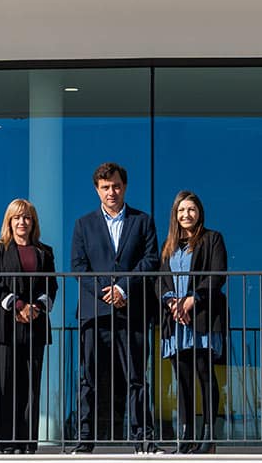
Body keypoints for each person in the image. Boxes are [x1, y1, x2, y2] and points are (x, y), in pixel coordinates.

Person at [69, 162, 163, 454]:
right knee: (90, 380)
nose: (112, 192)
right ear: (97, 190)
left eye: (116, 186)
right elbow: (78, 267)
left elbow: (151, 260)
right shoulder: (83, 224)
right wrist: (106, 293)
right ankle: (85, 440)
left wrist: (123, 288)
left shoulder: (142, 221)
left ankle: (144, 440)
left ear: (125, 187)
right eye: (106, 187)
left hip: (132, 312)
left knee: (137, 377)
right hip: (95, 314)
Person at [0, 198, 58, 455]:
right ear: (9, 221)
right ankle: (6, 443)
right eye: (17, 217)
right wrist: (18, 305)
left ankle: (27, 444)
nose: (22, 222)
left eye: (26, 217)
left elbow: (52, 286)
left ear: (33, 221)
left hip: (35, 326)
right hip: (4, 326)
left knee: (31, 386)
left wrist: (36, 306)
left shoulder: (44, 251)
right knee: (5, 384)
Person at [156, 191, 227, 454]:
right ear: (175, 215)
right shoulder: (169, 246)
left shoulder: (212, 239)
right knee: (182, 379)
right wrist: (172, 302)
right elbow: (160, 281)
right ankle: (186, 439)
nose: (186, 215)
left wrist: (192, 299)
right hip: (176, 322)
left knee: (205, 375)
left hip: (202, 318)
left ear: (199, 212)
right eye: (181, 211)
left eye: (191, 210)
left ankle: (209, 437)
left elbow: (217, 275)